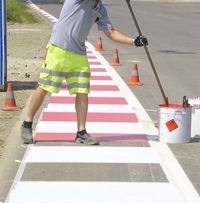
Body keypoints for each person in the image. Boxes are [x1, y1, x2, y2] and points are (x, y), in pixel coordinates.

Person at [21, 0, 148, 145]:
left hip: (79, 53)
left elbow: (111, 33)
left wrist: (134, 41)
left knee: (82, 91)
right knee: (44, 86)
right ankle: (27, 124)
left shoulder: (100, 8)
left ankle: (81, 132)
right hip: (59, 48)